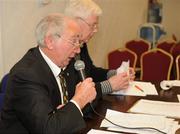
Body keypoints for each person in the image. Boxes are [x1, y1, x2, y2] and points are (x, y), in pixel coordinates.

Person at [0, 13, 97, 133]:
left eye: (79, 42)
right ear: (50, 42)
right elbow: (48, 129)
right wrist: (78, 101)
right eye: (73, 41)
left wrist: (71, 106)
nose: (78, 49)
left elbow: (80, 107)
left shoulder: (67, 63)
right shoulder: (26, 75)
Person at [64, 0, 135, 108]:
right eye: (93, 25)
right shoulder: (64, 51)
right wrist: (110, 85)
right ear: (77, 22)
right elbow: (74, 91)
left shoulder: (82, 44)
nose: (96, 30)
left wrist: (116, 74)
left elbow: (90, 71)